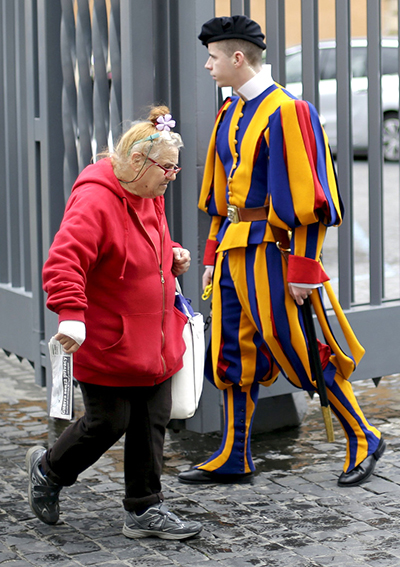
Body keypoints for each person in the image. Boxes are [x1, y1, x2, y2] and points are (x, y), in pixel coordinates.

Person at [178, 15, 385, 487]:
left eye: (212, 58)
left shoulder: (289, 111)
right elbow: (219, 198)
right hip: (233, 254)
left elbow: (310, 201)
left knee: (299, 350)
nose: (208, 66)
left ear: (236, 58)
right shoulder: (230, 111)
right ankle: (235, 455)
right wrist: (211, 258)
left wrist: (304, 268)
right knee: (232, 352)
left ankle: (363, 435)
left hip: (271, 254)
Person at [26, 106, 202, 540]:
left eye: (175, 166)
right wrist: (71, 315)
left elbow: (145, 240)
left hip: (154, 335)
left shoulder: (149, 192)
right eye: (167, 167)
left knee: (152, 418)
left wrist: (172, 254)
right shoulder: (95, 199)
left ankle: (144, 509)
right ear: (139, 163)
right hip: (109, 338)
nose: (173, 175)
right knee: (109, 421)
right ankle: (47, 471)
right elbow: (64, 262)